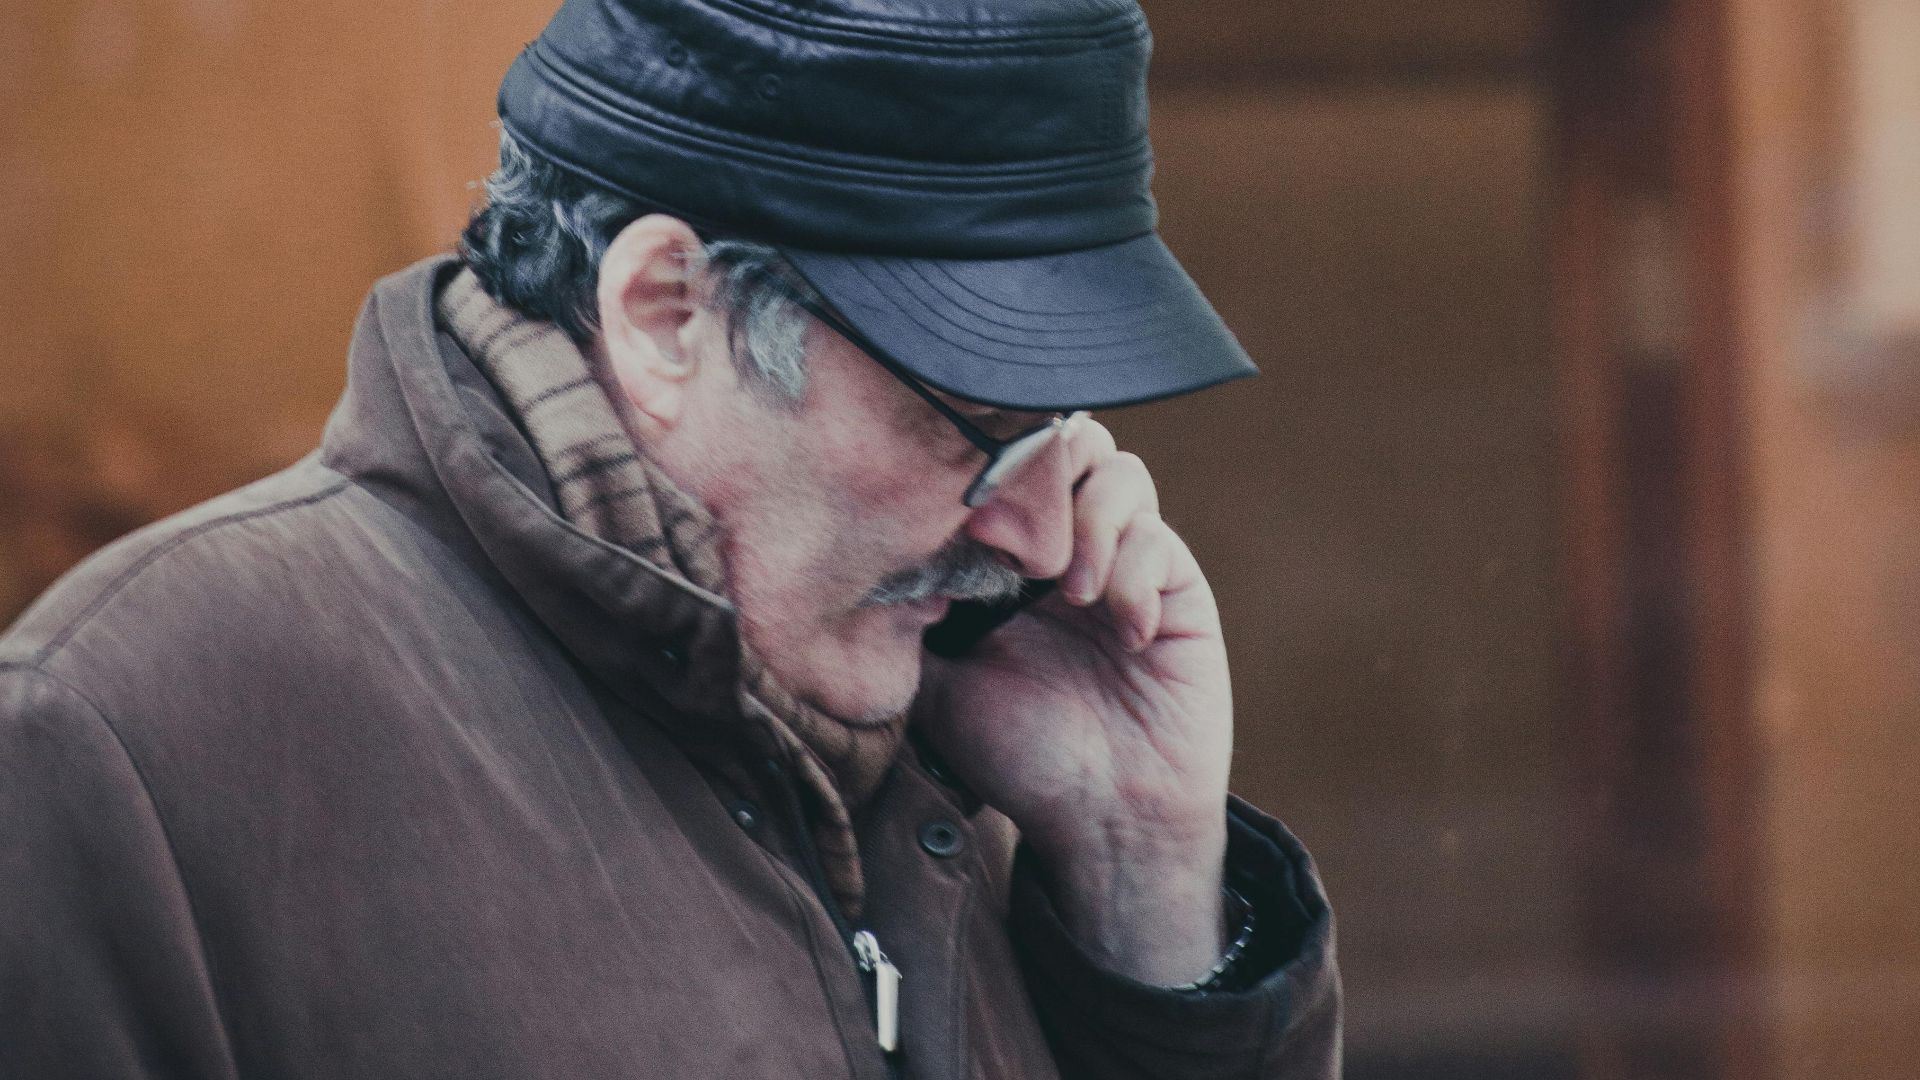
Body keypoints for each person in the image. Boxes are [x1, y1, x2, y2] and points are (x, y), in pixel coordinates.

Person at [0, 0, 1340, 1077]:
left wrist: (1138, 875)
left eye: (1059, 426)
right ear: (663, 316)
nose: (1045, 534)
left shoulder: (965, 738)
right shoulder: (128, 741)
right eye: (972, 421)